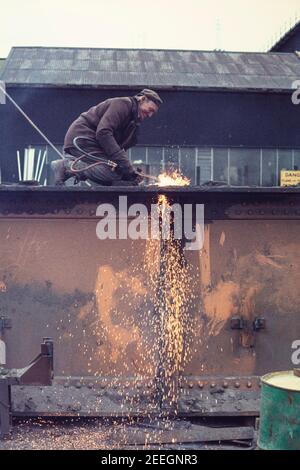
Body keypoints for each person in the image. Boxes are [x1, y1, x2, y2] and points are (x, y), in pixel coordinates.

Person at [51, 89, 162, 186]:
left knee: (119, 174)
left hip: (95, 143)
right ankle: (65, 166)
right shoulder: (123, 104)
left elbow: (118, 149)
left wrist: (128, 171)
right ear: (142, 99)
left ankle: (70, 168)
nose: (150, 115)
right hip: (83, 138)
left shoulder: (132, 122)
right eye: (150, 109)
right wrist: (126, 167)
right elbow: (103, 133)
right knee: (111, 174)